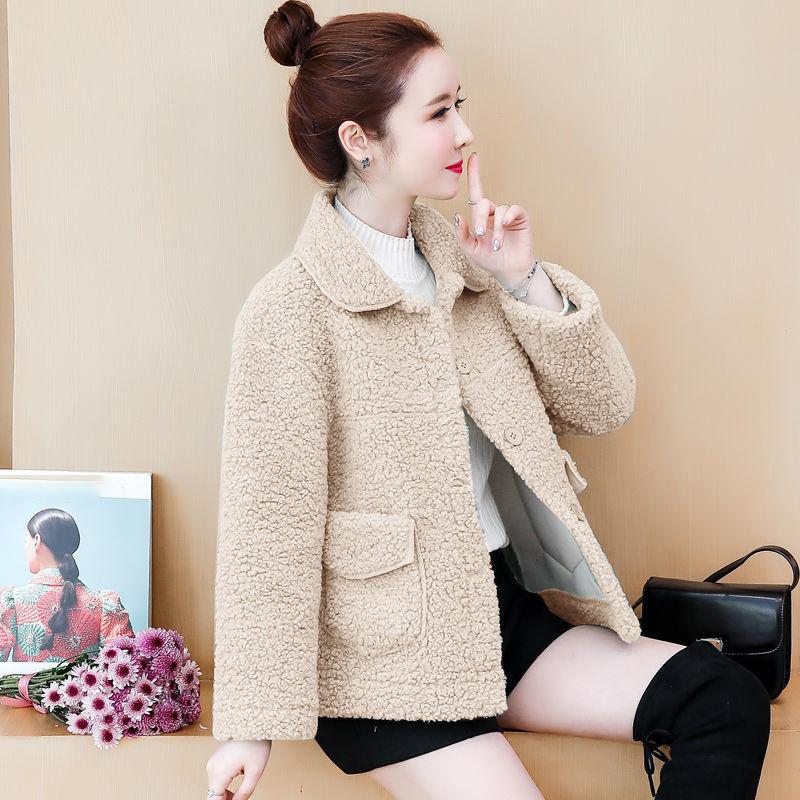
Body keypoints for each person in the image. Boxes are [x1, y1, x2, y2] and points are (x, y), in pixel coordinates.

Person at [206, 3, 772, 799]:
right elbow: (268, 531)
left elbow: (605, 406)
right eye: (438, 112)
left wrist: (522, 280)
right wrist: (249, 725)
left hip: (497, 617)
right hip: (382, 669)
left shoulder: (467, 271)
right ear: (361, 140)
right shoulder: (290, 309)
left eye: (459, 105)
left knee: (725, 700)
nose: (465, 132)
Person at [0, 508, 134, 663]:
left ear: (36, 540)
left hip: (24, 681)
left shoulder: (12, 600)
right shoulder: (105, 603)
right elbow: (124, 666)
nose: (24, 548)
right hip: (84, 680)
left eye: (25, 541)